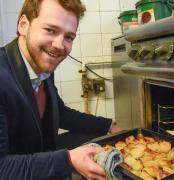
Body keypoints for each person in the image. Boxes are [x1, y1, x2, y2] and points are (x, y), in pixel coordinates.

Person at [0, 0, 121, 179]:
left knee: (99, 139)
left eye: (69, 37)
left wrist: (108, 125)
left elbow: (60, 113)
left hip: (38, 159)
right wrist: (68, 160)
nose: (59, 45)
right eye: (50, 30)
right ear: (23, 25)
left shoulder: (41, 66)